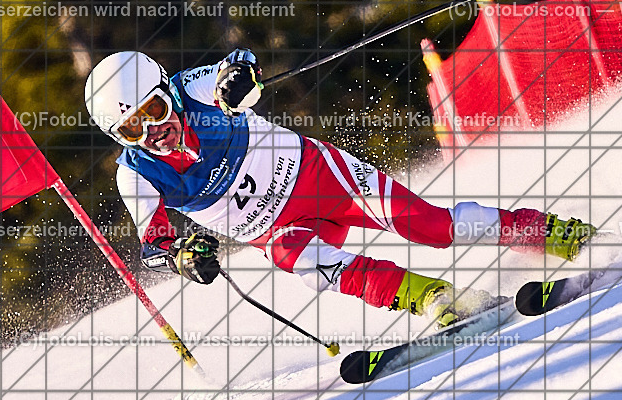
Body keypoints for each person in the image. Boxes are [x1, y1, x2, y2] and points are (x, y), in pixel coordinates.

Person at [85, 49, 594, 326]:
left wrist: (239, 81)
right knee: (305, 263)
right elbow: (154, 248)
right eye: (132, 128)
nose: (152, 130)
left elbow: (236, 65)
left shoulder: (192, 90)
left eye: (152, 110)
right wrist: (182, 255)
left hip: (320, 178)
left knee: (432, 227)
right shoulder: (137, 175)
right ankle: (436, 300)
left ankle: (552, 232)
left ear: (163, 91)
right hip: (277, 228)